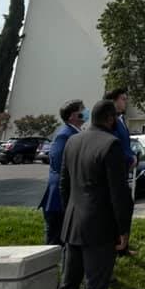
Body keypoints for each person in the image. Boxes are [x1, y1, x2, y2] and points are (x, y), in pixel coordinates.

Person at [47, 99, 133, 289]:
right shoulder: (111, 145)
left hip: (73, 226)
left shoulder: (73, 141)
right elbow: (118, 193)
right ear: (109, 119)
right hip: (99, 230)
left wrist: (71, 215)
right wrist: (123, 229)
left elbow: (64, 184)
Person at [38, 99, 86, 245]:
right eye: (82, 109)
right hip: (59, 198)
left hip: (71, 196)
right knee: (56, 240)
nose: (86, 112)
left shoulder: (77, 133)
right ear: (72, 116)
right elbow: (59, 165)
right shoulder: (64, 135)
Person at [103, 87, 137, 170]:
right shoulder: (110, 121)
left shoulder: (121, 119)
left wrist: (133, 156)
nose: (126, 102)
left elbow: (126, 144)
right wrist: (130, 159)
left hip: (125, 167)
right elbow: (114, 145)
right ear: (113, 101)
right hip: (116, 167)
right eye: (123, 99)